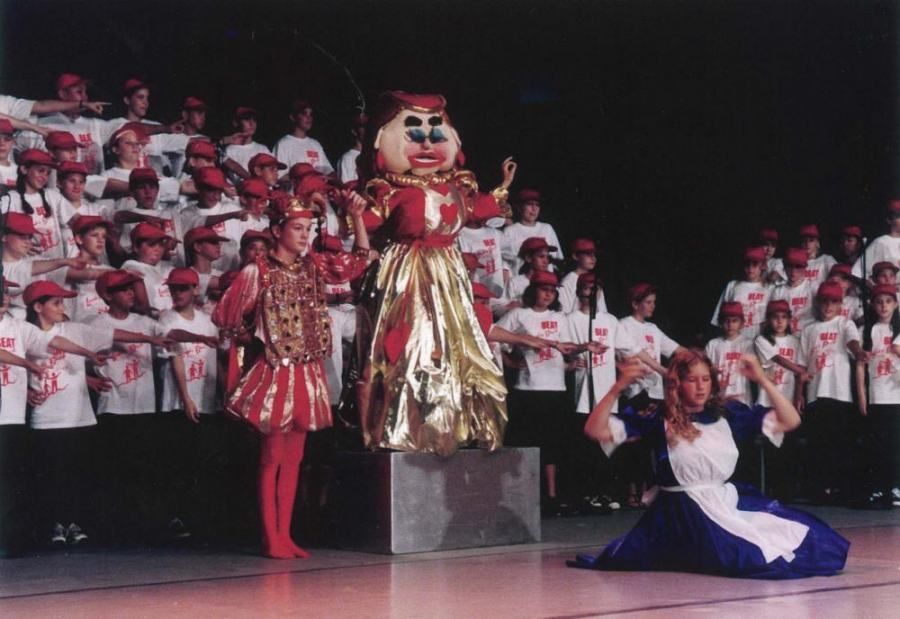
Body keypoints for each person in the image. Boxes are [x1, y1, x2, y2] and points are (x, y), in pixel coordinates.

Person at [570, 350, 849, 578]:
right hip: (680, 512)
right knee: (750, 559)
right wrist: (618, 387)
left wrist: (763, 381)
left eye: (706, 379)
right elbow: (594, 430)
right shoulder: (659, 417)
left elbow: (792, 421)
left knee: (802, 534)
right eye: (692, 380)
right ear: (677, 382)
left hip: (722, 500)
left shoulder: (728, 414)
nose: (701, 386)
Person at [355, 91, 516, 455]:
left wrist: (503, 185)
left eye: (437, 134)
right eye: (413, 134)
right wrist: (349, 213)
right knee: (412, 346)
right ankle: (405, 426)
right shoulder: (392, 192)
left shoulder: (454, 187)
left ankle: (456, 425)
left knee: (457, 346)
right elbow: (369, 221)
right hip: (407, 271)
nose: (427, 142)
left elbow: (478, 209)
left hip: (449, 273)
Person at [214, 192, 370, 558]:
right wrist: (254, 338)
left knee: (295, 457)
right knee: (271, 457)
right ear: (276, 229)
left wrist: (358, 218)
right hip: (275, 371)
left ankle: (286, 534)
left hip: (307, 369)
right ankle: (271, 536)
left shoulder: (312, 266)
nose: (305, 235)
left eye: (309, 229)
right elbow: (226, 317)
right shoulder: (258, 271)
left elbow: (358, 263)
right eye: (298, 228)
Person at [799, 281, 865, 503]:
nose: (828, 306)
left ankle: (841, 489)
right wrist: (799, 393)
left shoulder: (845, 324)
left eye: (833, 301)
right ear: (818, 303)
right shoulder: (808, 330)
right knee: (818, 444)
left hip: (840, 393)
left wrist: (859, 351)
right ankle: (820, 490)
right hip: (816, 392)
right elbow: (802, 364)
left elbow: (852, 342)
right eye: (825, 301)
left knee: (840, 443)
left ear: (840, 304)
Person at [855, 284, 900, 508]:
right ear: (873, 305)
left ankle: (895, 487)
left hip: (897, 395)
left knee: (896, 445)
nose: (883, 306)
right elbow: (861, 366)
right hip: (876, 395)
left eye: (888, 301)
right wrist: (862, 396)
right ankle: (880, 487)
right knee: (878, 445)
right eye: (879, 301)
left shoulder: (898, 329)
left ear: (896, 303)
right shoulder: (868, 330)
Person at [619, 283, 685, 404]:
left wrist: (700, 357)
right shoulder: (624, 324)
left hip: (657, 392)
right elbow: (631, 352)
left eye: (654, 302)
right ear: (635, 304)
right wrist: (662, 370)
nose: (653, 306)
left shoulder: (653, 328)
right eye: (648, 302)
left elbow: (675, 348)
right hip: (635, 390)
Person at [754, 300, 808, 409]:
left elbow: (799, 376)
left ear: (789, 320)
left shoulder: (795, 341)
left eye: (783, 317)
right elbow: (777, 358)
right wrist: (802, 371)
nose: (779, 321)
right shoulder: (761, 340)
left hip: (788, 397)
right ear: (768, 320)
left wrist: (798, 396)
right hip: (767, 398)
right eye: (775, 317)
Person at [711, 246, 770, 338]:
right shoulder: (733, 286)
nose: (750, 268)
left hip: (758, 337)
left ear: (762, 265)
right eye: (747, 264)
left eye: (754, 264)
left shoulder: (768, 288)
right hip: (735, 338)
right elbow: (719, 317)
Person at [500, 188, 562, 276]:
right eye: (529, 204)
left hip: (544, 281)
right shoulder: (510, 230)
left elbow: (556, 259)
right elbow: (504, 265)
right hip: (520, 283)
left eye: (537, 205)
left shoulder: (547, 228)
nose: (534, 209)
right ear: (519, 207)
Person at [706, 301, 754, 404]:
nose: (730, 324)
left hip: (741, 397)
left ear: (741, 323)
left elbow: (753, 370)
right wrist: (712, 370)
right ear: (720, 322)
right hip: (718, 398)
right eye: (726, 321)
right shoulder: (712, 344)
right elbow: (705, 369)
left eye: (734, 321)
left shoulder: (747, 344)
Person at [272, 99, 334, 175]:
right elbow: (279, 176)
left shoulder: (315, 144)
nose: (309, 118)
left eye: (310, 114)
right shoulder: (283, 144)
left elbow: (328, 171)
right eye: (304, 114)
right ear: (293, 117)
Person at [770, 248, 815, 335]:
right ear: (784, 267)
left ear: (805, 268)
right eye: (789, 266)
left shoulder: (813, 288)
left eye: (798, 267)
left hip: (808, 336)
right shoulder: (778, 291)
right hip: (787, 338)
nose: (793, 271)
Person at [853, 200, 900, 282]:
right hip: (889, 293)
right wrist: (876, 290)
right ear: (889, 220)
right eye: (899, 216)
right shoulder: (881, 242)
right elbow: (858, 272)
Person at [222, 107, 272, 182]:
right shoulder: (228, 150)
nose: (252, 124)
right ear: (236, 123)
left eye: (254, 120)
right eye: (247, 119)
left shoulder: (263, 149)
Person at [558, 238, 607, 315]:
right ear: (575, 256)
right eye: (588, 254)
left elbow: (603, 311)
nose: (593, 258)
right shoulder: (568, 281)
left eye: (594, 255)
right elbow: (564, 312)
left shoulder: (595, 280)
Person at [798, 224, 836, 291]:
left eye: (811, 240)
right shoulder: (796, 263)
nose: (807, 244)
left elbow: (837, 278)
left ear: (817, 243)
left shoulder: (827, 259)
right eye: (804, 241)